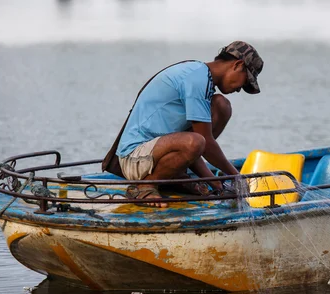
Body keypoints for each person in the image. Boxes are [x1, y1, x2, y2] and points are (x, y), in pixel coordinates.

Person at [106, 41, 264, 207]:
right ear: (237, 65)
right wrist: (235, 177)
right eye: (245, 81)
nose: (240, 89)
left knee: (221, 106)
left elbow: (200, 144)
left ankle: (174, 176)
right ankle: (145, 186)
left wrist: (217, 185)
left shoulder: (201, 75)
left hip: (157, 151)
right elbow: (202, 142)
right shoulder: (197, 79)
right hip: (134, 157)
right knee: (195, 141)